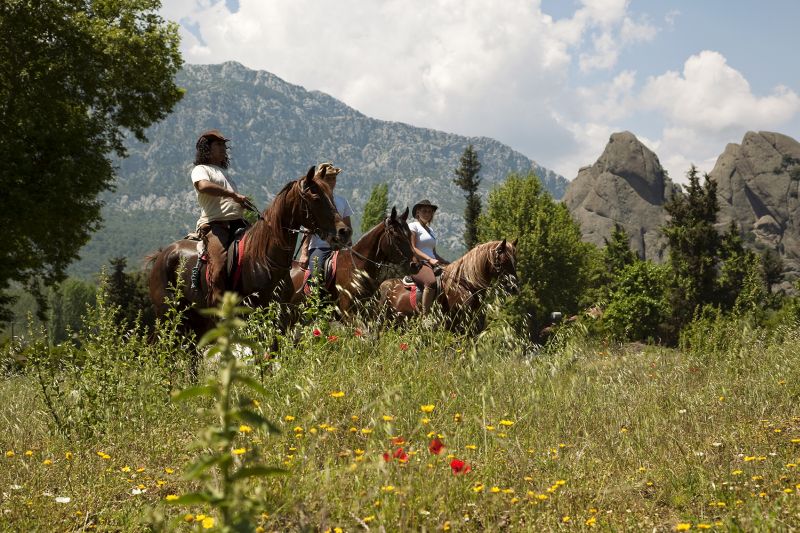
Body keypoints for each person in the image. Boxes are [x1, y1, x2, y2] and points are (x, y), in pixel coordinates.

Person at [191, 129, 249, 305]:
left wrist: (239, 204)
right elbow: (203, 186)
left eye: (224, 145)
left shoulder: (224, 173)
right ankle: (218, 307)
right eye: (218, 144)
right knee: (219, 266)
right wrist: (233, 195)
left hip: (238, 223)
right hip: (215, 225)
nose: (223, 148)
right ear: (206, 149)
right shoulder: (200, 169)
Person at [297, 162, 353, 279]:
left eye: (334, 178)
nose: (332, 181)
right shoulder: (316, 201)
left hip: (341, 247)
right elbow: (307, 229)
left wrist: (350, 247)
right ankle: (312, 290)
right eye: (328, 178)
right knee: (316, 276)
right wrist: (304, 253)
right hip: (319, 247)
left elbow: (348, 226)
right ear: (321, 180)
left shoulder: (342, 201)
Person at [408, 199, 448, 313]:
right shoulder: (413, 226)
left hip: (431, 262)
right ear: (418, 213)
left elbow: (433, 253)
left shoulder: (431, 230)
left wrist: (445, 261)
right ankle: (425, 315)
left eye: (430, 212)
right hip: (418, 264)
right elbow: (413, 248)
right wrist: (430, 259)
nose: (427, 214)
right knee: (431, 282)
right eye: (424, 211)